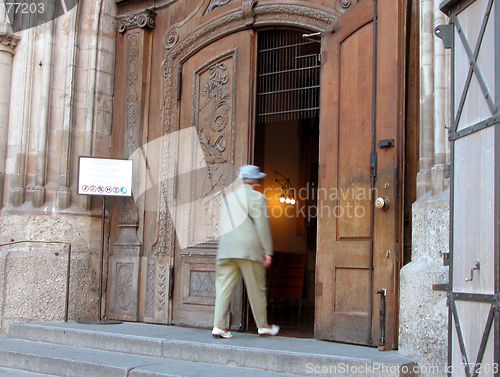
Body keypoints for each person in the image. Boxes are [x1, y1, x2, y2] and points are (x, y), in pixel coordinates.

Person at [212, 164, 279, 339]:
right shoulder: (258, 197)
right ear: (255, 180)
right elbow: (261, 227)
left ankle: (219, 325)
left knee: (223, 287)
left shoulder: (227, 197)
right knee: (256, 287)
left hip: (226, 248)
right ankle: (263, 325)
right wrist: (267, 251)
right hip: (248, 249)